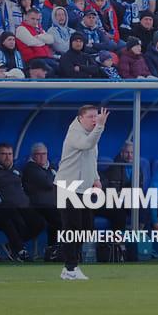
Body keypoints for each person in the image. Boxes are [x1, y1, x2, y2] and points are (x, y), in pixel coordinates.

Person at [55, 105, 109, 280]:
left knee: (86, 228)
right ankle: (70, 268)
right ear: (80, 118)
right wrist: (100, 126)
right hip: (67, 186)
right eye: (91, 117)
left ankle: (71, 266)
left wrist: (96, 178)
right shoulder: (74, 133)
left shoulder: (92, 134)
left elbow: (91, 159)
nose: (95, 120)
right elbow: (87, 145)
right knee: (72, 228)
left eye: (96, 116)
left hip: (83, 189)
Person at [0, 142, 46, 262]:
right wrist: (0, 199)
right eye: (3, 154)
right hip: (1, 208)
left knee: (40, 222)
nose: (7, 157)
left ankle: (12, 245)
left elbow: (21, 188)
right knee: (14, 219)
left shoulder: (15, 170)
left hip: (23, 206)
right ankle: (20, 250)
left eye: (10, 154)